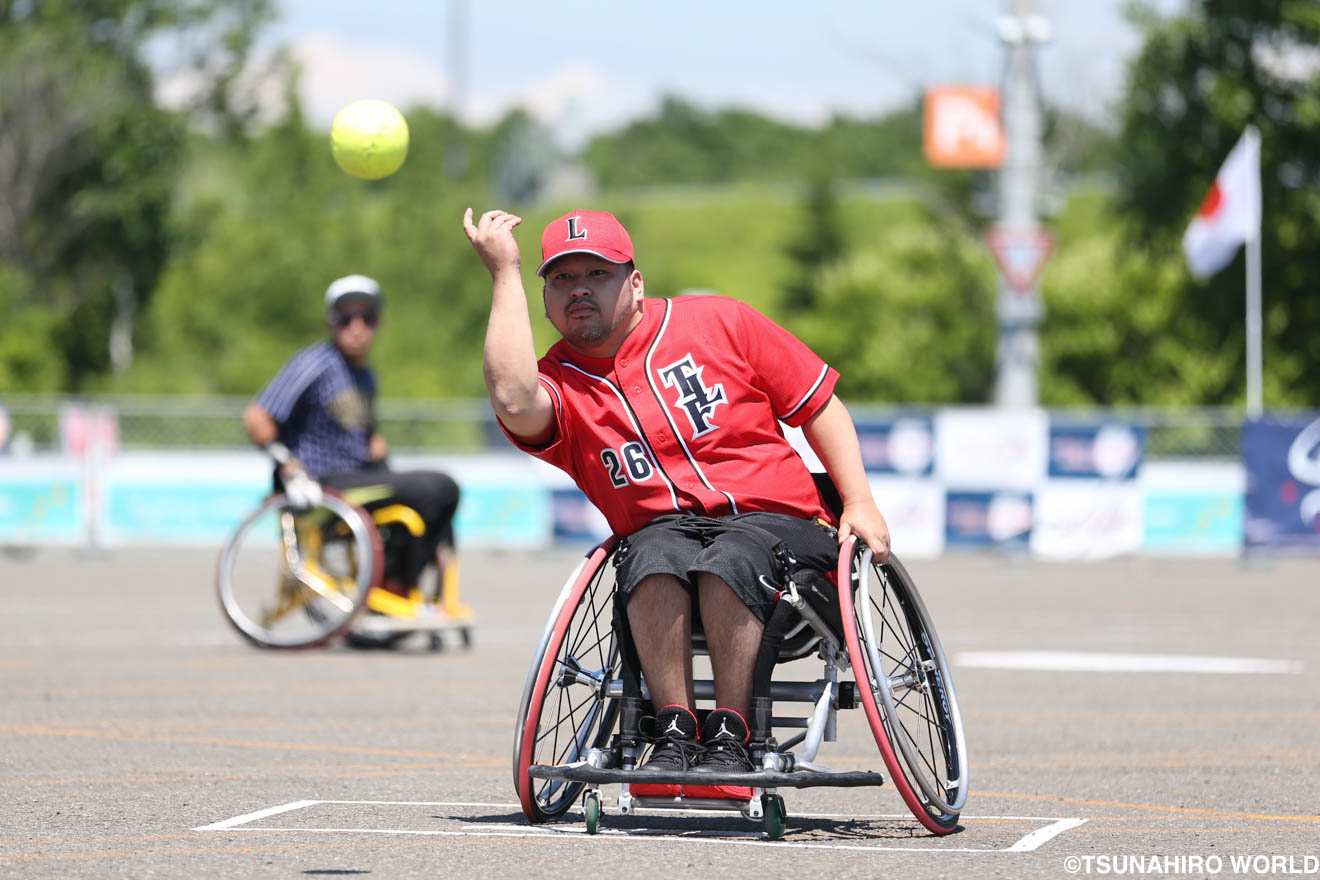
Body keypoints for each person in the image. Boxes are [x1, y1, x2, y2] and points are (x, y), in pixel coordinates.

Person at [463, 207, 890, 792]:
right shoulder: (560, 383)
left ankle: (732, 736)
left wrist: (859, 502)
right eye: (561, 278)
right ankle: (673, 730)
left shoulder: (721, 322)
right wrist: (504, 273)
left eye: (597, 273)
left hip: (782, 529)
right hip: (664, 540)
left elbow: (818, 406)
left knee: (731, 553)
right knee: (651, 553)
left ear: (635, 283)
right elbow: (514, 399)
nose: (579, 288)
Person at [242, 274, 460, 599]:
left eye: (367, 318)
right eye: (346, 318)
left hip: (360, 480)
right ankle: (390, 587)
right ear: (331, 322)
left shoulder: (365, 376)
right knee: (438, 487)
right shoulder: (314, 362)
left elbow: (370, 441)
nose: (356, 326)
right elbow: (258, 417)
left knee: (436, 501)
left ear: (378, 323)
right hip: (322, 485)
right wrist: (288, 468)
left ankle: (395, 584)